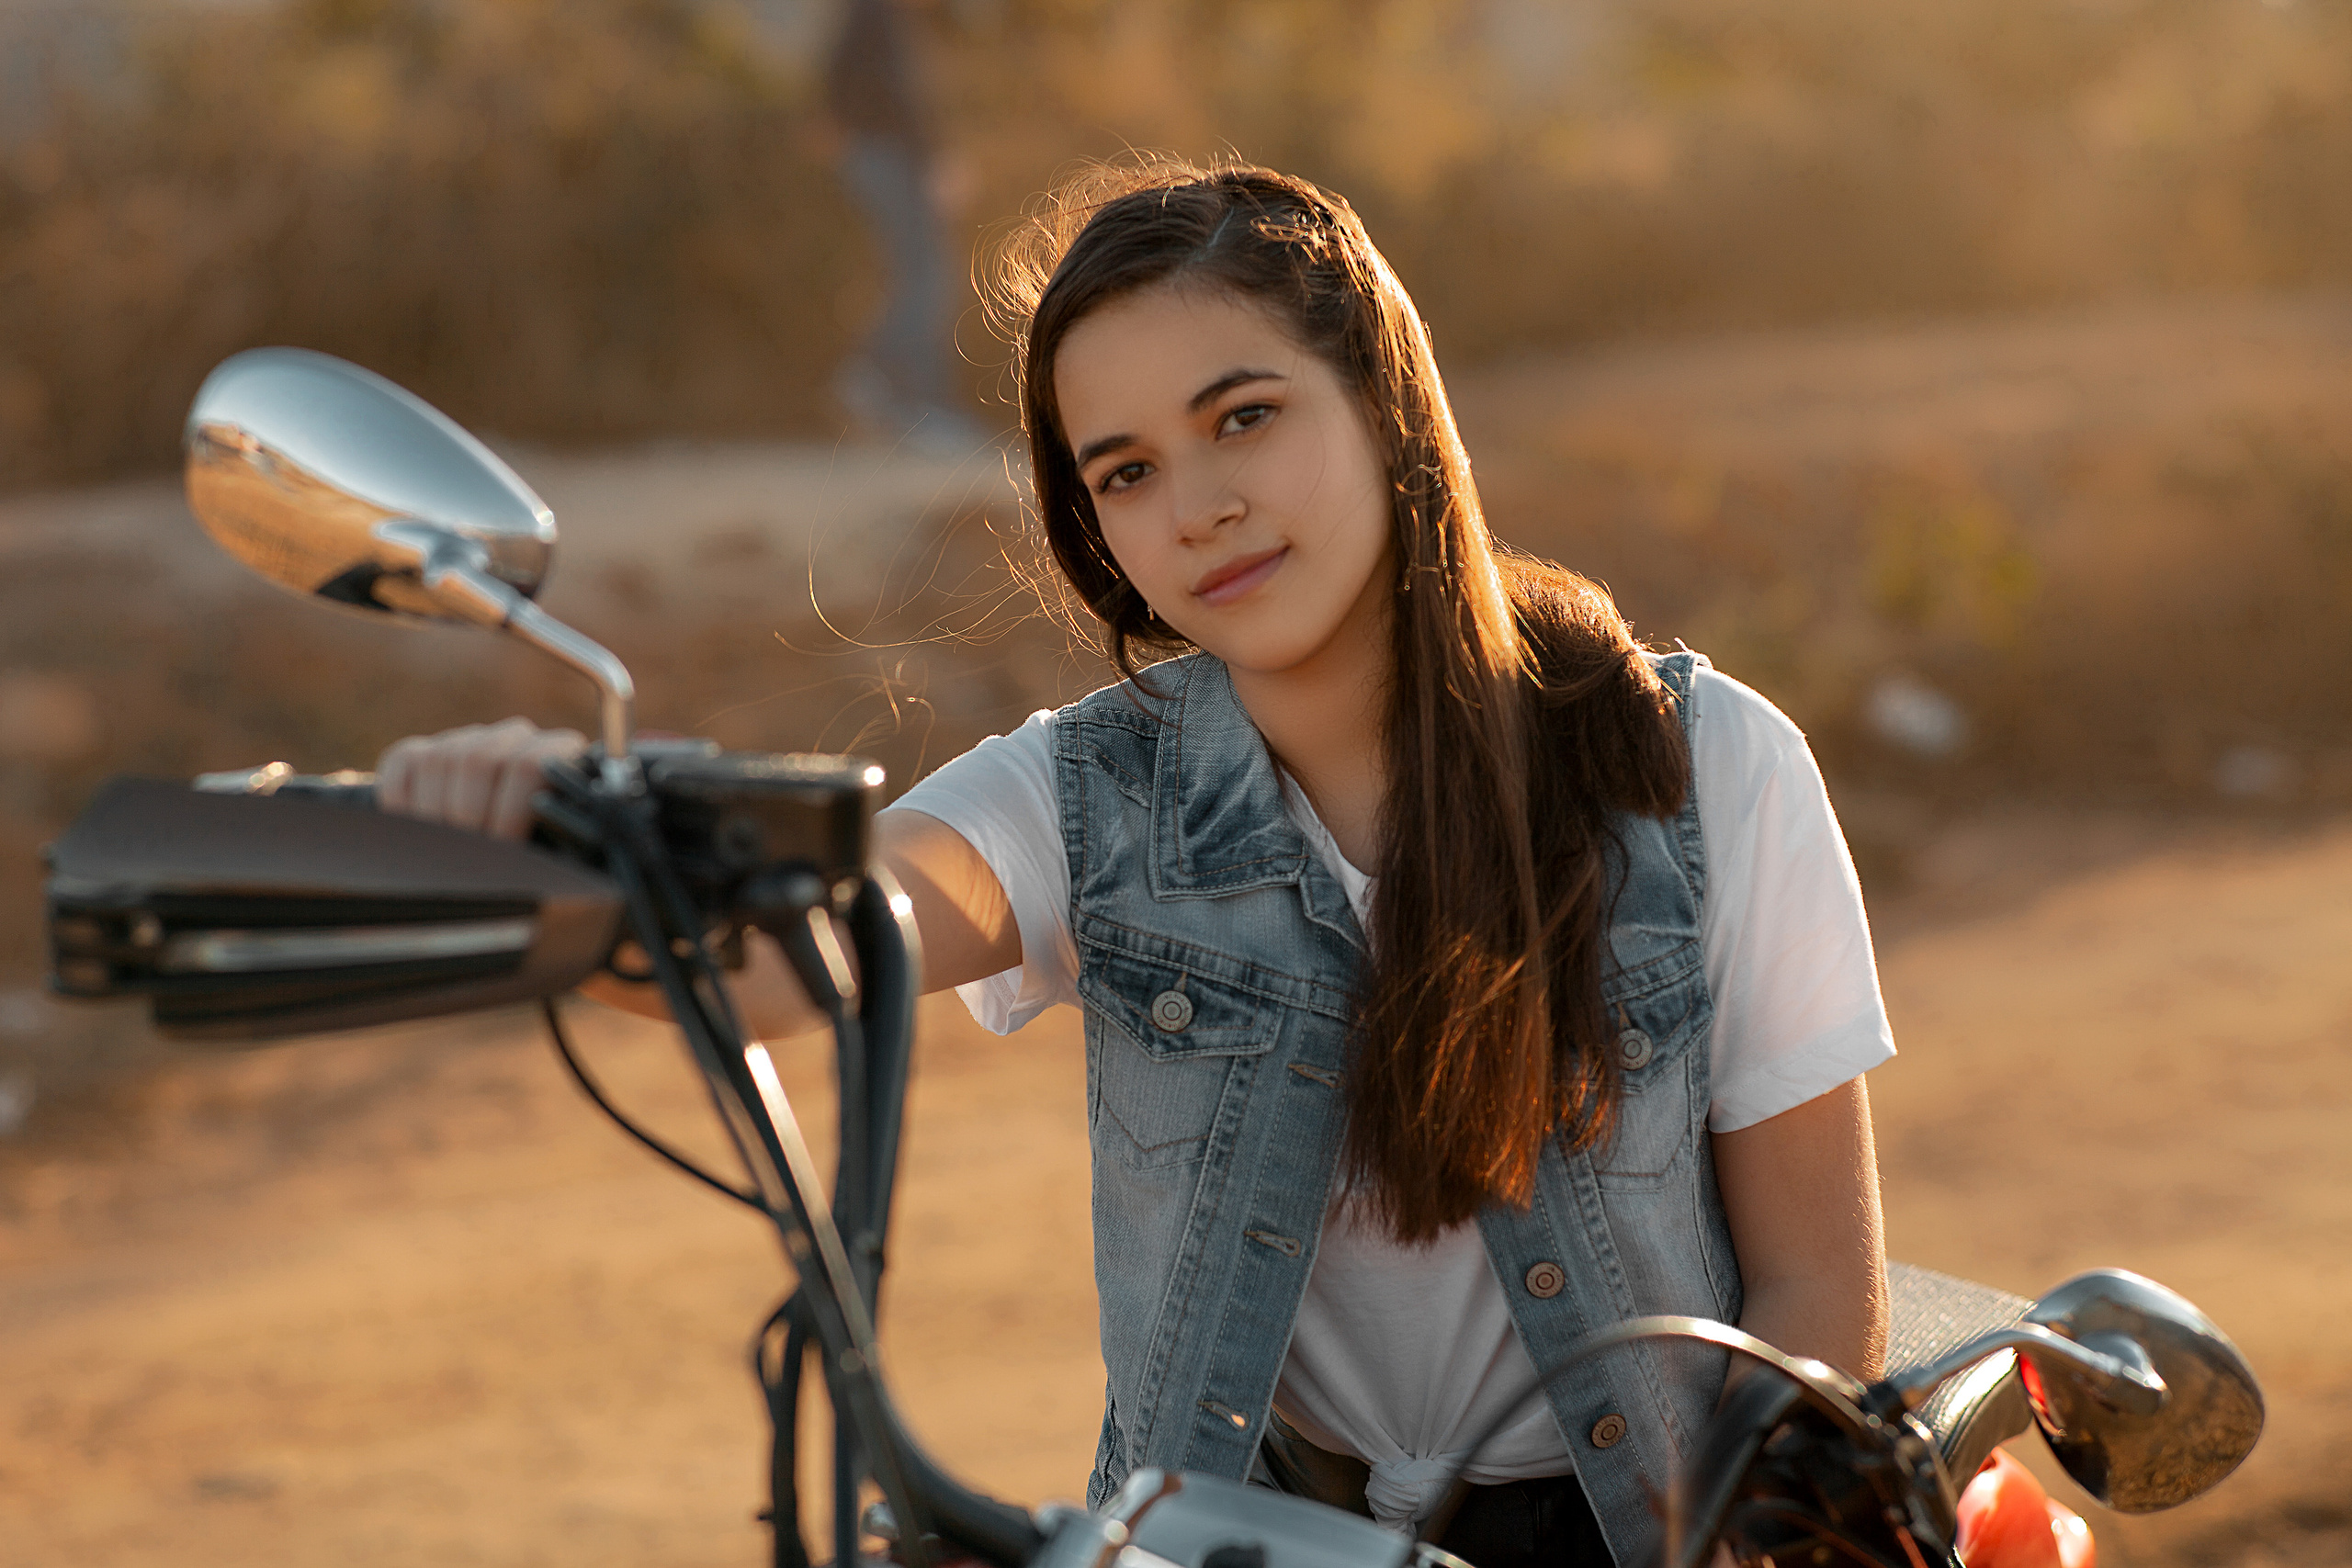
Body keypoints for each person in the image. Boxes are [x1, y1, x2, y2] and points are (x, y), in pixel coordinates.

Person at [376, 161, 1894, 1568]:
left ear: (1382, 401)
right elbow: (809, 944)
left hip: (1652, 1532)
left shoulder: (1695, 766)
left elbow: (1820, 1296)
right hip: (1243, 1532)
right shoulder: (1090, 791)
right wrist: (535, 847)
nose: (1199, 507)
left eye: (1244, 418)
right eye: (1125, 472)